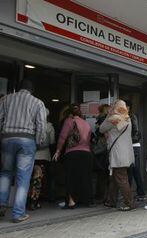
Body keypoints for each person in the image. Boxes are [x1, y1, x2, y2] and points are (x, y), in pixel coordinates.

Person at [0, 80, 47, 223]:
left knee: (5, 173)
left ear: (19, 88)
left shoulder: (6, 99)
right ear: (31, 90)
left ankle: (1, 206)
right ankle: (18, 213)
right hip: (27, 140)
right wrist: (38, 142)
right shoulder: (38, 103)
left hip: (7, 139)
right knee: (23, 177)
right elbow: (41, 126)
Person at [54, 104, 94, 209]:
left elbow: (63, 137)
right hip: (86, 154)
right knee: (85, 178)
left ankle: (71, 201)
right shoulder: (86, 123)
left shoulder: (69, 121)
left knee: (70, 178)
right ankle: (87, 200)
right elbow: (89, 139)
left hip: (72, 153)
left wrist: (58, 151)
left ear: (70, 113)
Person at [100, 100, 135, 211]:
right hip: (125, 153)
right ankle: (111, 201)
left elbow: (101, 128)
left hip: (118, 154)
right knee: (114, 178)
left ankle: (129, 203)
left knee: (121, 178)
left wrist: (109, 114)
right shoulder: (127, 119)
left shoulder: (114, 118)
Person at [30, 108, 56, 209]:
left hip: (31, 155)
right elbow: (52, 142)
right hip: (44, 156)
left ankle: (27, 199)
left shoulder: (31, 125)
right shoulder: (49, 126)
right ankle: (34, 201)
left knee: (29, 179)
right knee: (38, 179)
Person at [125, 100, 146, 202]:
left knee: (132, 170)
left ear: (128, 107)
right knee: (134, 170)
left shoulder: (131, 117)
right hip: (133, 146)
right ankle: (138, 193)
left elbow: (135, 133)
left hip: (133, 146)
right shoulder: (130, 116)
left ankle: (132, 194)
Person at [93, 104, 111, 202]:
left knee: (100, 174)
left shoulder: (98, 120)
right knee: (106, 173)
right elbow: (104, 133)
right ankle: (105, 196)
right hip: (104, 149)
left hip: (99, 150)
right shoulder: (104, 119)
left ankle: (100, 195)